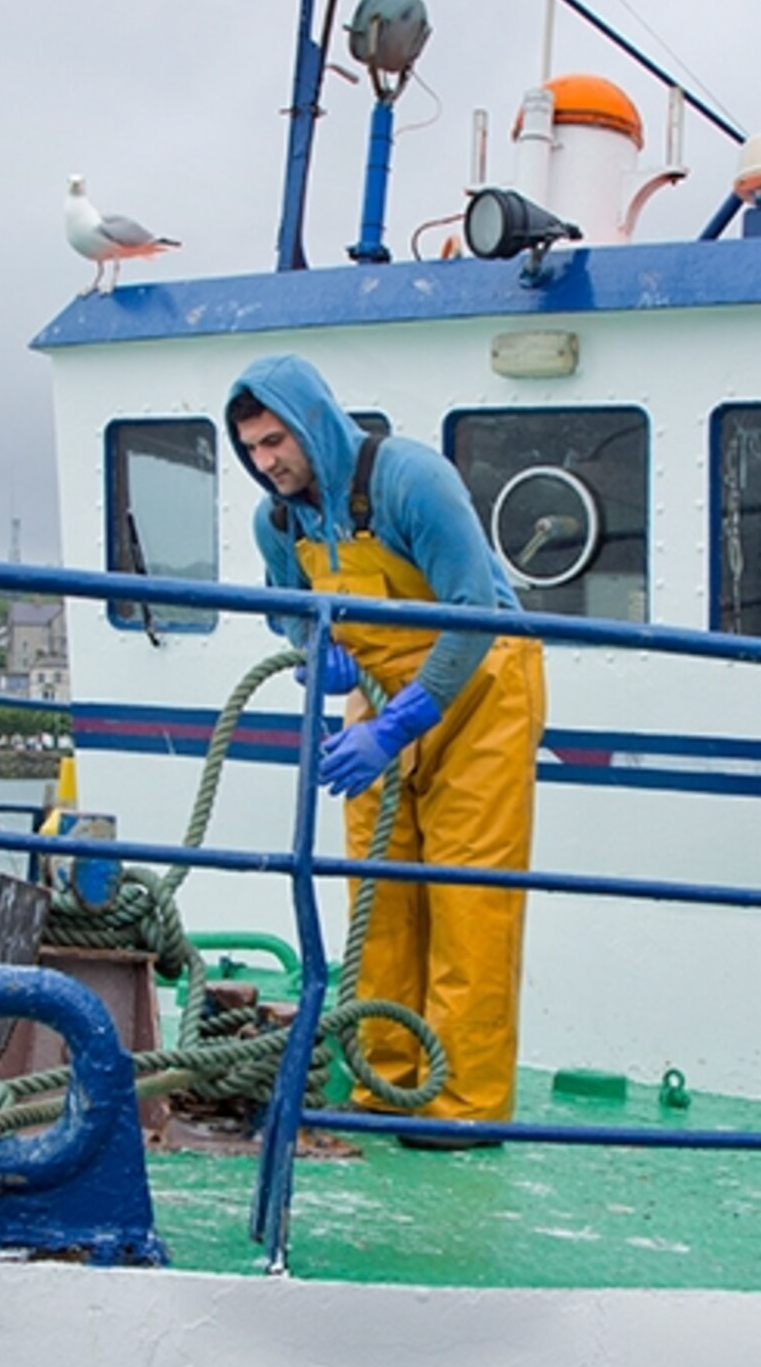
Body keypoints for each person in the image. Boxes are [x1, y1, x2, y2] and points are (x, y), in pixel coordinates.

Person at [226, 357, 546, 1134]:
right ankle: (383, 1086)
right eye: (252, 450)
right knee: (379, 906)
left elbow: (473, 611)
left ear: (312, 423)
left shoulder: (411, 480)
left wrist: (400, 725)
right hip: (371, 699)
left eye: (276, 441)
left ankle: (460, 1110)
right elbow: (287, 612)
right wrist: (316, 651)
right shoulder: (280, 521)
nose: (267, 463)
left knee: (471, 905)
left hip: (479, 694)